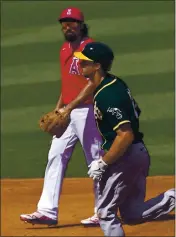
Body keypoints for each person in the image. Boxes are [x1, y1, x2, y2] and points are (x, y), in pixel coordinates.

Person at [74, 42, 175, 236]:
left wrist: (103, 163)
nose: (80, 63)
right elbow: (135, 111)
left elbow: (125, 135)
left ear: (97, 66)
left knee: (105, 212)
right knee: (132, 214)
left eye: (85, 61)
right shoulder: (112, 83)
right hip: (136, 154)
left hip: (126, 158)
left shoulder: (108, 94)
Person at [20, 7, 103, 226]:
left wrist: (70, 107)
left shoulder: (90, 48)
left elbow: (92, 83)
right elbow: (67, 85)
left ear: (81, 24)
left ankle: (103, 211)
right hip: (69, 113)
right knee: (55, 155)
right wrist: (59, 109)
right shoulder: (64, 49)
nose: (67, 26)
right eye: (64, 23)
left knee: (95, 161)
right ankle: (47, 210)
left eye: (72, 22)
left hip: (87, 111)